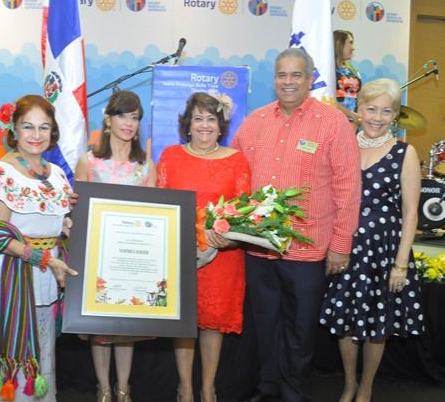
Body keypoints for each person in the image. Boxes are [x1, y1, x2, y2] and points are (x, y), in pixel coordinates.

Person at [231, 48, 362, 402]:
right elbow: (235, 177)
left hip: (308, 250)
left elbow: (348, 188)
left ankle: (293, 393)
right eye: (281, 75)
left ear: (309, 79)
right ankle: (269, 388)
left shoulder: (332, 123)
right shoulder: (254, 121)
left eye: (296, 75)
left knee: (300, 330)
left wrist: (340, 245)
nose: (287, 82)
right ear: (274, 79)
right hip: (258, 248)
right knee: (265, 325)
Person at [0, 95, 78, 402]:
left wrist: (73, 226)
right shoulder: (1, 172)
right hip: (8, 278)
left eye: (44, 127)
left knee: (40, 351)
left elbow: (60, 224)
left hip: (45, 276)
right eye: (28, 126)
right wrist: (43, 257)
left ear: (53, 131)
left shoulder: (56, 175)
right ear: (13, 130)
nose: (36, 135)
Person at [319, 79, 424, 402]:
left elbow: (410, 214)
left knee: (378, 323)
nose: (377, 117)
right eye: (371, 109)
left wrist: (401, 264)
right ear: (359, 110)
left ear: (395, 116)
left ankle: (366, 388)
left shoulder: (404, 152)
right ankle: (349, 384)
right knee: (345, 319)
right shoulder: (343, 144)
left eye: (386, 111)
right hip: (344, 248)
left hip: (384, 252)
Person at [157, 92, 250, 402]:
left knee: (212, 323)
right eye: (198, 118)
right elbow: (160, 205)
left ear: (221, 125)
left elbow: (244, 211)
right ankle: (184, 387)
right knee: (184, 320)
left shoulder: (236, 160)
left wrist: (231, 236)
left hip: (222, 256)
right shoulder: (171, 156)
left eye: (211, 118)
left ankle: (208, 388)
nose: (205, 125)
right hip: (180, 255)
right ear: (187, 124)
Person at [75, 90, 156, 402]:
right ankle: (103, 389)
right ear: (108, 119)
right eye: (123, 115)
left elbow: (155, 215)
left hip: (133, 258)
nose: (129, 123)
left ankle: (123, 388)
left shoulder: (146, 165)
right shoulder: (90, 161)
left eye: (135, 117)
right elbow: (78, 210)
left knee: (127, 323)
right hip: (98, 257)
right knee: (100, 326)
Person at [334, 30, 362, 125]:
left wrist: (355, 121)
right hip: (334, 123)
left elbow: (358, 96)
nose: (353, 48)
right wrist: (351, 115)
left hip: (352, 124)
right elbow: (326, 99)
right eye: (350, 43)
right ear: (338, 44)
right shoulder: (326, 71)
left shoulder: (351, 70)